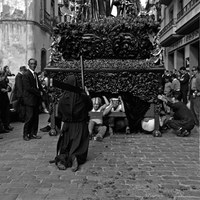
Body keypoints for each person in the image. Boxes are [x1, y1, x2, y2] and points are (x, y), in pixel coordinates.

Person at [54, 75, 93, 172]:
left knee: (66, 145)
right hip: (80, 125)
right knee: (79, 145)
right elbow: (89, 107)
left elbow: (59, 113)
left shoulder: (63, 98)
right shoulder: (82, 96)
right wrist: (86, 95)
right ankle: (75, 157)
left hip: (68, 125)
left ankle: (62, 160)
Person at [22, 58, 43, 141]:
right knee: (29, 117)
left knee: (35, 118)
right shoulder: (26, 74)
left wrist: (42, 91)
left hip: (35, 99)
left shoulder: (35, 74)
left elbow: (38, 85)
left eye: (34, 64)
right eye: (31, 64)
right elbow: (28, 88)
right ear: (29, 64)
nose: (33, 65)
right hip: (29, 100)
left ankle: (33, 133)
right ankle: (25, 134)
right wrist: (38, 92)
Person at [0, 66, 14, 132]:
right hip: (1, 98)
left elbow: (8, 86)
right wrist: (2, 90)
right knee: (2, 113)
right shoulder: (1, 81)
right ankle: (3, 128)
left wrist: (8, 88)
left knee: (6, 113)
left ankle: (6, 126)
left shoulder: (4, 80)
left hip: (5, 98)